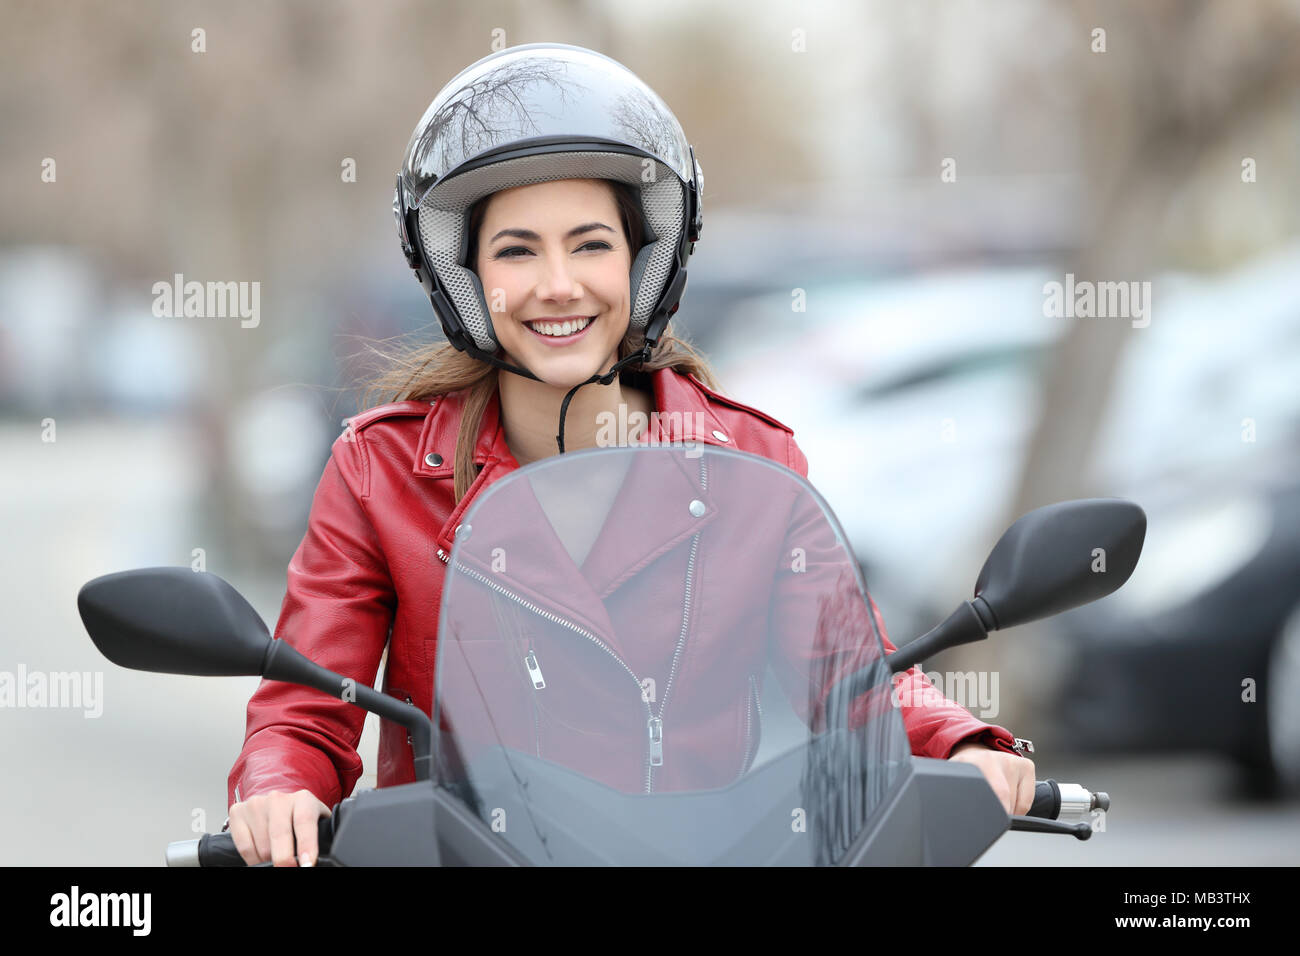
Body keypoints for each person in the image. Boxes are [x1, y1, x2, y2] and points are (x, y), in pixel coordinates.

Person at [225, 42, 1034, 867]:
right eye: (515, 250)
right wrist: (279, 785)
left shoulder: (752, 460)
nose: (557, 284)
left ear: (644, 263)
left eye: (590, 244)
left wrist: (958, 741)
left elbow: (852, 678)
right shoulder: (380, 471)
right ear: (463, 274)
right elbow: (308, 705)